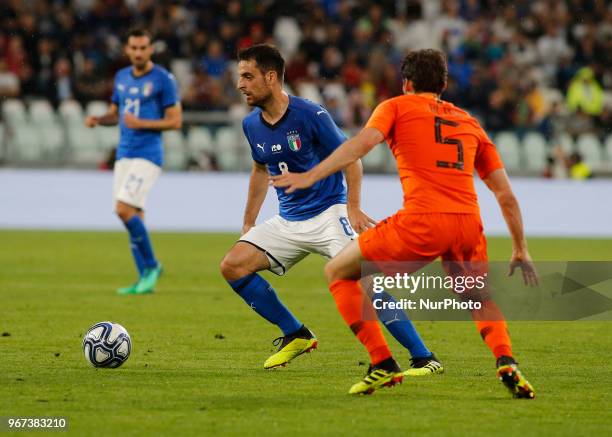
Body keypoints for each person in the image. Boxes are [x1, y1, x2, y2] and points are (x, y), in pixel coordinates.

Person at [272, 49, 538, 398]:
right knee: (478, 298)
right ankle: (506, 360)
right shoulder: (469, 122)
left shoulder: (395, 106)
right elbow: (505, 195)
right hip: (468, 223)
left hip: (424, 220)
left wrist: (311, 176)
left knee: (339, 272)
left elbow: (360, 146)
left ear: (406, 82)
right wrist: (520, 248)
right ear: (443, 83)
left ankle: (382, 363)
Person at [220, 44, 443, 376]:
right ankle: (296, 334)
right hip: (288, 220)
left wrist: (352, 207)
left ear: (271, 77)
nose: (240, 84)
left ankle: (424, 357)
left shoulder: (310, 114)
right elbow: (259, 171)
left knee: (368, 281)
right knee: (233, 266)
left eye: (248, 76)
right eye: (240, 77)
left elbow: (351, 158)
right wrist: (249, 222)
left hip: (328, 215)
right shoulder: (251, 125)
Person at [85, 28, 182, 294]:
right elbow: (116, 114)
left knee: (123, 209)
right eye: (134, 48)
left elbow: (176, 120)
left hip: (148, 154)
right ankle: (144, 281)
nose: (138, 52)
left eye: (143, 48)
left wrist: (143, 123)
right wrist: (98, 119)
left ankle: (152, 266)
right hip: (124, 154)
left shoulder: (163, 79)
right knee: (134, 215)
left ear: (150, 49)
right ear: (127, 50)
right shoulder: (121, 77)